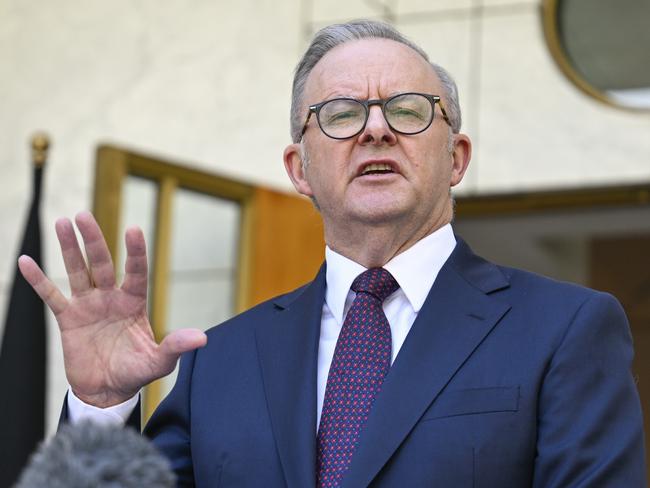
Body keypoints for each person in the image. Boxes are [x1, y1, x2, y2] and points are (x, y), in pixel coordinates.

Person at [19, 20, 646, 487]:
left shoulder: (564, 330)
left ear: (456, 158)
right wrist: (102, 409)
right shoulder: (224, 359)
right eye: (341, 113)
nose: (377, 128)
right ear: (300, 169)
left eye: (407, 110)